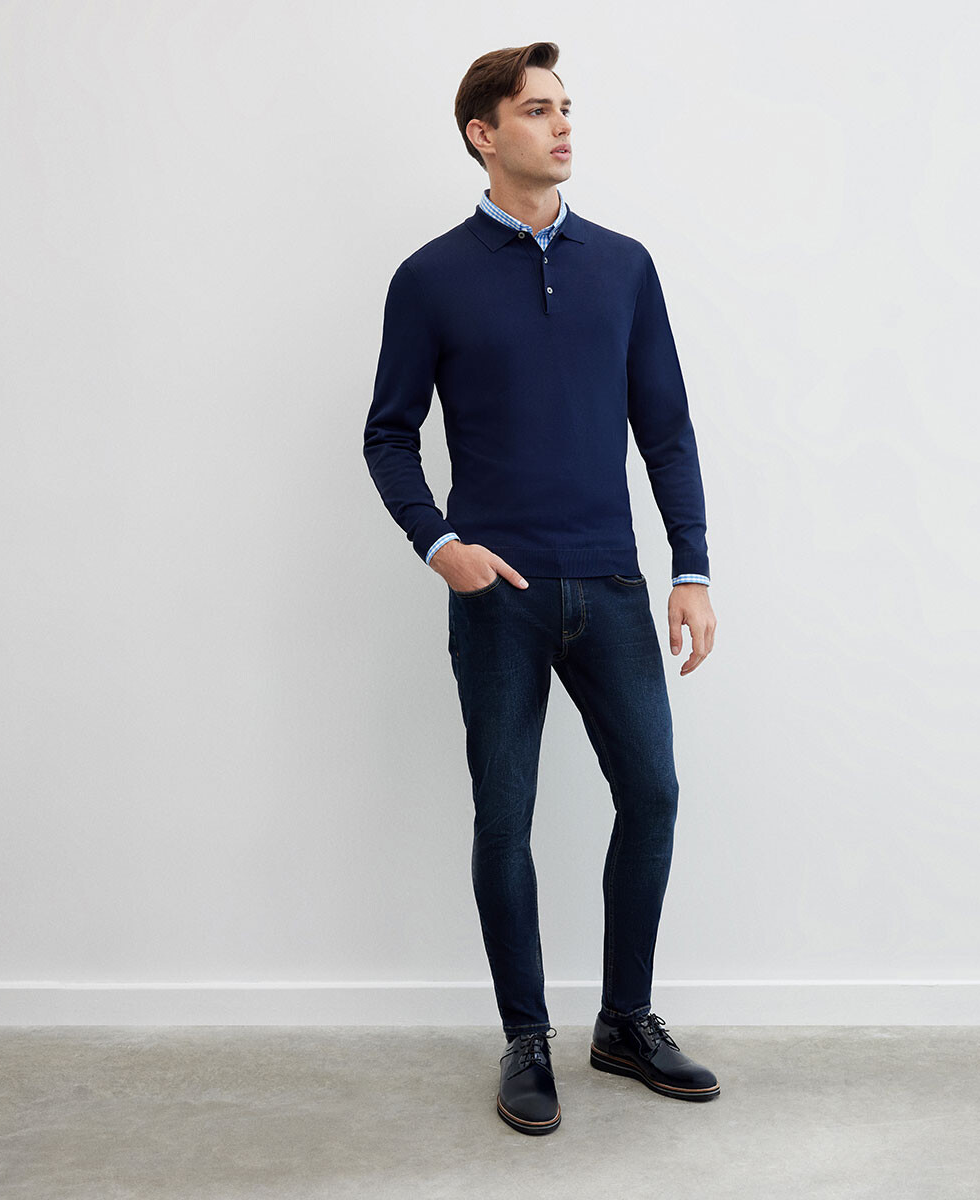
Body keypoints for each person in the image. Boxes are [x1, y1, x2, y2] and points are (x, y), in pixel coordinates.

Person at [362, 41, 720, 1135]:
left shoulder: (624, 266)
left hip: (611, 581)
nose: (563, 126)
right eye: (536, 110)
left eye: (567, 108)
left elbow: (665, 427)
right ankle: (527, 1038)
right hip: (498, 595)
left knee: (653, 795)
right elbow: (388, 435)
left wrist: (691, 568)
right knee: (503, 818)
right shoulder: (430, 278)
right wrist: (441, 545)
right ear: (484, 134)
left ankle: (625, 1021)